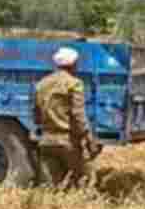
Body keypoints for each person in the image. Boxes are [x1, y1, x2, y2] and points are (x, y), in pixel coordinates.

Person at [33, 46, 103, 189]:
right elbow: (78, 115)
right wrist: (90, 140)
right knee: (85, 183)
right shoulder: (74, 84)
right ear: (73, 64)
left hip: (46, 142)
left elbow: (36, 115)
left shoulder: (41, 84)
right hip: (68, 142)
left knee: (50, 188)